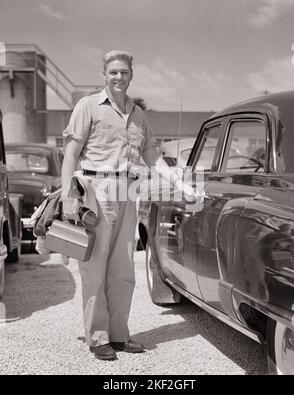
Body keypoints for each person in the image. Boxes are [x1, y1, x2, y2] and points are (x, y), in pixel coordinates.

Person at [61, 50, 195, 361]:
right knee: (94, 268)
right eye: (113, 72)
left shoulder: (138, 115)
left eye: (124, 72)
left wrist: (176, 177)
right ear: (104, 75)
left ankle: (119, 335)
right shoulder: (88, 107)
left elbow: (152, 155)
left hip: (128, 189)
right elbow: (71, 153)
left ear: (131, 75)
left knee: (123, 268)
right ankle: (98, 338)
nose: (119, 77)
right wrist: (69, 194)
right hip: (96, 189)